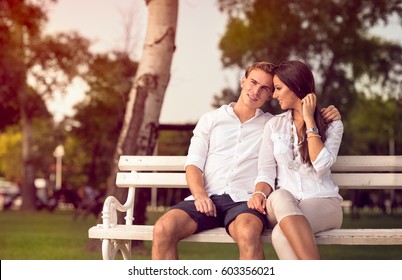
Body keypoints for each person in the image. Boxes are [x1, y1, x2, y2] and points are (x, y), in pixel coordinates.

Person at [152, 61, 340, 260]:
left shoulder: (273, 124)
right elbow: (193, 165)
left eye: (266, 88)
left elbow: (269, 168)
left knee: (248, 232)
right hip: (206, 198)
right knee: (163, 229)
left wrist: (326, 114)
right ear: (243, 81)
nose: (256, 91)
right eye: (253, 82)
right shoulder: (211, 119)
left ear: (270, 95)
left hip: (244, 202)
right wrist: (200, 196)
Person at [249, 60, 344, 260]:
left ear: (297, 87)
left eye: (278, 88)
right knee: (280, 195)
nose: (274, 95)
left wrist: (310, 121)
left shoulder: (332, 124)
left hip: (324, 203)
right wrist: (258, 192)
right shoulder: (274, 125)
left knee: (281, 235)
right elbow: (266, 170)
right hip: (283, 203)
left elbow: (321, 165)